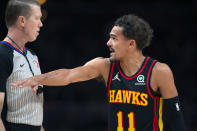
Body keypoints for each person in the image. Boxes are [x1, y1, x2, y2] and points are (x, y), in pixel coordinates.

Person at [12, 14, 185, 131]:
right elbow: (68, 75)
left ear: (131, 44)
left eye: (114, 38)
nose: (108, 42)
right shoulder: (105, 66)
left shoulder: (159, 71)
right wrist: (36, 79)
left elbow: (176, 122)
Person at [0, 0, 45, 131]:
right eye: (37, 18)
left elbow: (35, 115)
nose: (41, 24)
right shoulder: (2, 54)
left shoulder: (33, 56)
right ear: (22, 21)